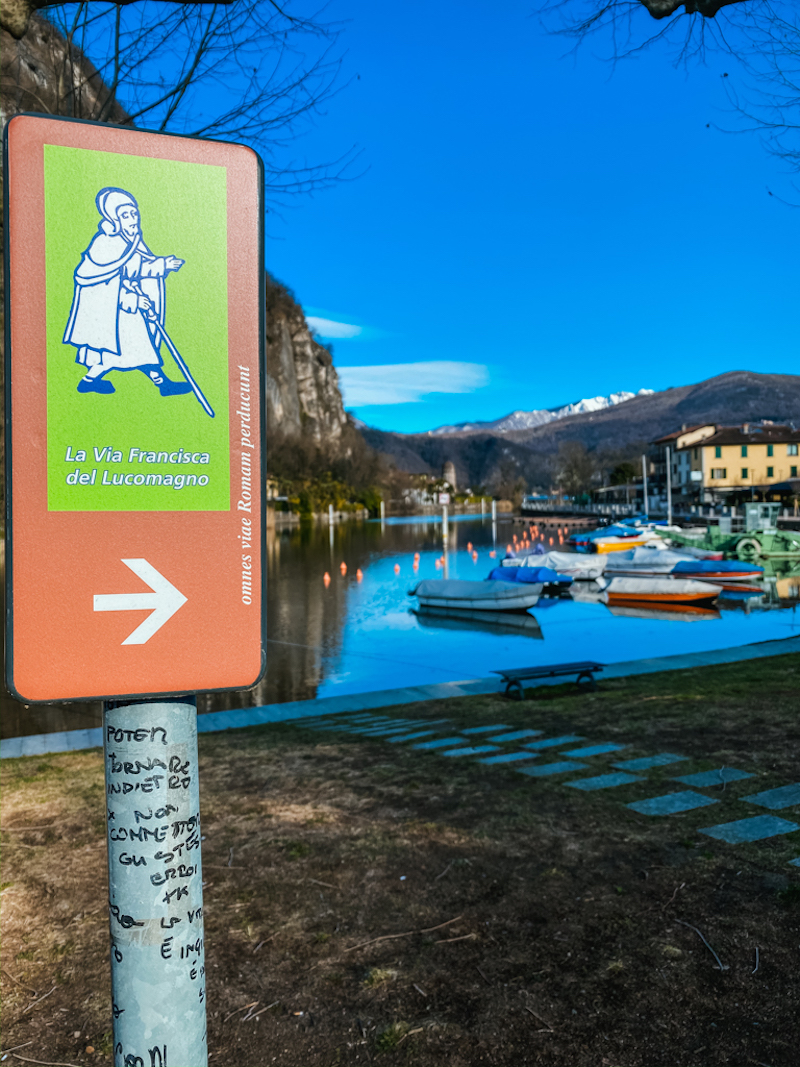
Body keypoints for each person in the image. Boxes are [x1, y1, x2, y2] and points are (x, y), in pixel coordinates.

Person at [63, 187, 192, 396]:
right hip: (115, 315)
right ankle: (89, 381)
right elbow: (101, 284)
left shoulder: (131, 243)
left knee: (141, 350)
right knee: (122, 354)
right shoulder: (104, 245)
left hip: (129, 311)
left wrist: (163, 265)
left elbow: (139, 268)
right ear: (115, 220)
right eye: (125, 215)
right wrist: (131, 299)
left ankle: (162, 384)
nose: (133, 219)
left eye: (134, 213)